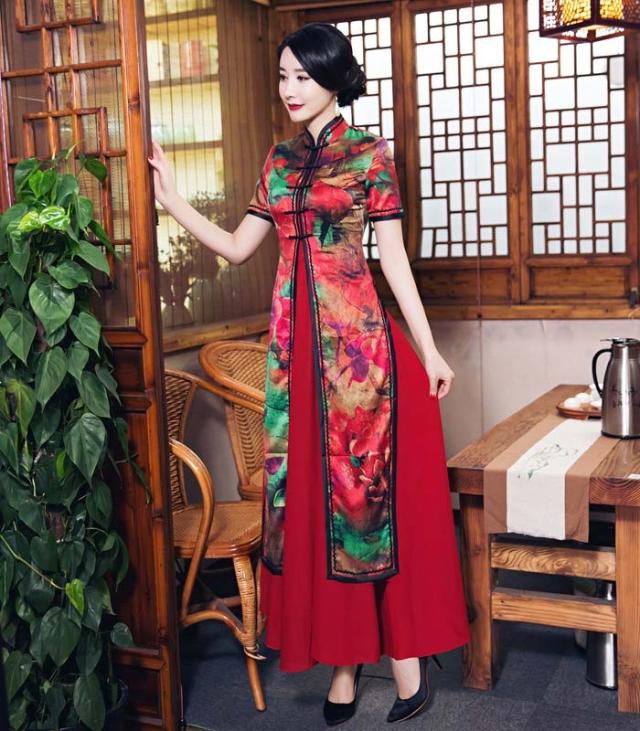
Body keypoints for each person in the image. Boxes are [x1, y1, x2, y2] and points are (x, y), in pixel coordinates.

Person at [148, 21, 470, 726]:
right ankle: (345, 666)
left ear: (334, 78)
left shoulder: (370, 156)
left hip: (359, 359)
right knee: (313, 513)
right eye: (283, 76)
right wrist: (172, 202)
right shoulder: (279, 160)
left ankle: (406, 665)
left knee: (362, 507)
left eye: (302, 75)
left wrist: (431, 350)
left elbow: (393, 261)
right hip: (294, 360)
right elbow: (239, 247)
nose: (289, 89)